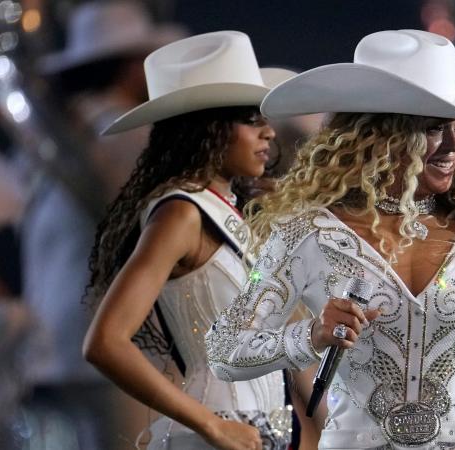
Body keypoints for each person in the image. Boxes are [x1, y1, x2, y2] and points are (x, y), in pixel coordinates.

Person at [206, 29, 455, 450]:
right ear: (380, 135)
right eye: (433, 128)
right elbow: (226, 351)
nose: (454, 144)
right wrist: (312, 335)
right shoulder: (308, 233)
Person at [83, 31, 296, 450]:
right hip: (212, 434)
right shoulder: (180, 213)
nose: (269, 133)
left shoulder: (232, 209)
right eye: (252, 119)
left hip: (262, 434)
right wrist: (212, 426)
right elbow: (104, 341)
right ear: (208, 128)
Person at [19, 2, 184, 448]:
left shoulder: (58, 134)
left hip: (50, 346)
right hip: (115, 348)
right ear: (132, 66)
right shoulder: (132, 134)